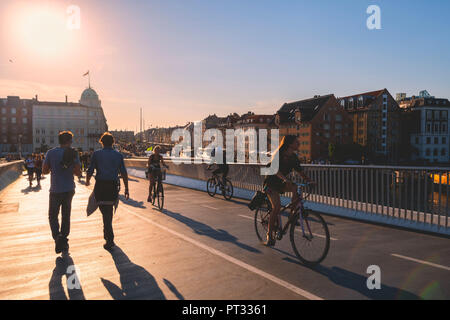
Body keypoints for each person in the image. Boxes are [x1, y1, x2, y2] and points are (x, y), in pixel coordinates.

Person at [263, 135, 314, 246]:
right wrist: (285, 179)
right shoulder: (278, 154)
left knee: (295, 187)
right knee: (276, 207)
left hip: (282, 182)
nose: (299, 144)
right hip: (271, 182)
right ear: (290, 144)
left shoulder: (293, 157)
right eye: (296, 142)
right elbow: (275, 170)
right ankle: (269, 234)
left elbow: (300, 172)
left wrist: (310, 181)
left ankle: (292, 214)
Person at [86, 132, 129, 250]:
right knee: (108, 211)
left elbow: (90, 169)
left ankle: (109, 237)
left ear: (101, 142)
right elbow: (124, 173)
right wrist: (127, 188)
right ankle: (109, 237)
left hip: (100, 186)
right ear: (113, 142)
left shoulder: (96, 154)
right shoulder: (118, 155)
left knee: (105, 211)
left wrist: (87, 180)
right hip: (112, 186)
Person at [42, 131, 82, 254]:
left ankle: (57, 237)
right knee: (66, 215)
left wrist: (54, 168)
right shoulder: (73, 153)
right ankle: (63, 239)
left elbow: (44, 171)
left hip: (55, 189)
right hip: (69, 189)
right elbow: (78, 173)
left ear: (59, 141)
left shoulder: (50, 153)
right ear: (70, 141)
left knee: (52, 215)